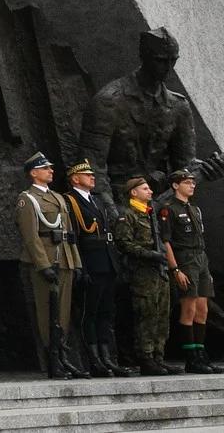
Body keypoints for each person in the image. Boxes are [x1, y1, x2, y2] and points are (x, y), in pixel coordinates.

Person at [80, 27, 224, 213]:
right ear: (144, 56)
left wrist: (207, 169)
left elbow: (184, 167)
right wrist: (113, 214)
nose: (168, 68)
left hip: (160, 207)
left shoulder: (179, 107)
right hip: (119, 204)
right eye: (161, 61)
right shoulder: (109, 101)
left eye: (173, 61)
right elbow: (91, 166)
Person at [16, 152, 86, 379]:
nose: (51, 171)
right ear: (33, 173)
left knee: (63, 312)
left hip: (63, 258)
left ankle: (63, 356)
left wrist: (76, 262)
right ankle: (53, 360)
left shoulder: (58, 197)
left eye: (50, 168)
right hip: (46, 261)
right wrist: (43, 264)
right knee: (48, 312)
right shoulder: (28, 199)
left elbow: (68, 234)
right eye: (45, 168)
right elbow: (31, 236)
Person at [64, 159, 130, 377]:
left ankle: (107, 357)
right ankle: (93, 359)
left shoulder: (97, 201)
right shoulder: (70, 201)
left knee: (106, 312)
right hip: (91, 263)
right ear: (75, 178)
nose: (92, 177)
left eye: (93, 174)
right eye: (87, 174)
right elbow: (75, 237)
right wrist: (80, 266)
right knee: (89, 313)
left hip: (107, 262)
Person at [158, 169, 222, 374]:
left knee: (202, 309)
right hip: (184, 259)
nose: (192, 186)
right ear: (176, 185)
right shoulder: (169, 209)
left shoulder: (195, 209)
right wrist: (175, 268)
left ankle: (200, 352)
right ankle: (190, 357)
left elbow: (200, 240)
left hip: (200, 259)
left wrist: (206, 266)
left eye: (193, 183)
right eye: (187, 183)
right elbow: (166, 241)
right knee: (189, 309)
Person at [114, 176, 178, 375]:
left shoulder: (150, 214)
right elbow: (124, 244)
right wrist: (150, 254)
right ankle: (146, 357)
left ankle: (159, 356)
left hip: (159, 272)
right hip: (142, 273)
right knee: (146, 316)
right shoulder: (128, 215)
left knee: (161, 316)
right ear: (134, 192)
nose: (150, 192)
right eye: (145, 189)